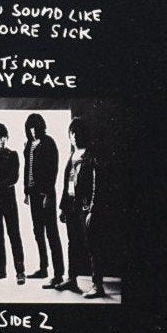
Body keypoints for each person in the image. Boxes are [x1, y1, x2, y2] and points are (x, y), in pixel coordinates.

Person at [57, 117, 106, 298]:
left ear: (83, 134)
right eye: (72, 132)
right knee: (73, 243)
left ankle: (98, 285)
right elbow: (66, 184)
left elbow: (96, 186)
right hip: (71, 206)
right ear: (69, 135)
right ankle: (72, 279)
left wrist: (92, 209)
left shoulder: (91, 156)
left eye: (77, 132)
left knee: (93, 245)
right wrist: (62, 207)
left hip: (85, 208)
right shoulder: (72, 156)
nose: (75, 136)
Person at [22, 113, 64, 289]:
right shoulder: (29, 145)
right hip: (33, 194)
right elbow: (27, 169)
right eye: (30, 128)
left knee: (51, 232)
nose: (32, 131)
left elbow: (53, 170)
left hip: (46, 194)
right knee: (38, 231)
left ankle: (58, 274)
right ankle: (43, 268)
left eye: (35, 128)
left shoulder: (49, 143)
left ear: (41, 127)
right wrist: (26, 191)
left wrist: (48, 194)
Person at [0, 123, 26, 284]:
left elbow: (13, 178)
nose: (3, 140)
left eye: (4, 136)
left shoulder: (12, 155)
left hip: (8, 200)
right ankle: (0, 270)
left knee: (14, 234)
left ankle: (20, 271)